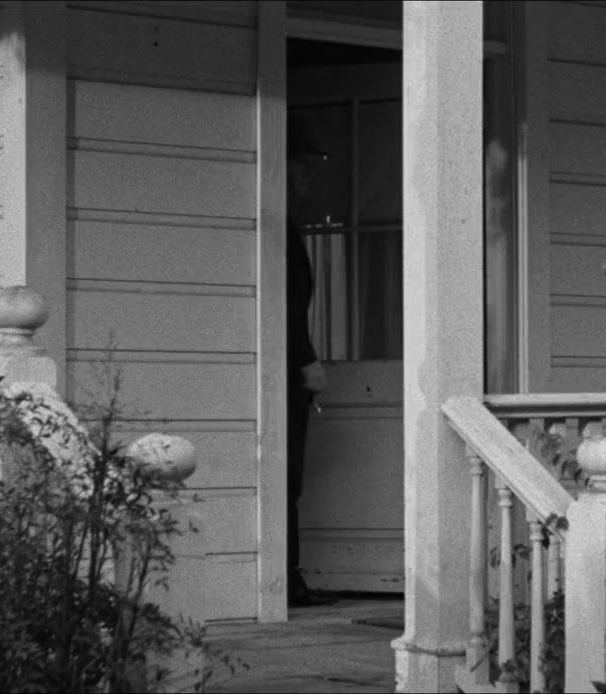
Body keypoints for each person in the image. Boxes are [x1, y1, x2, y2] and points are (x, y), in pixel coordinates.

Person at [286, 115, 334, 608]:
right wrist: (305, 359)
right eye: (302, 164)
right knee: (286, 469)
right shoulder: (277, 233)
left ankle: (290, 573)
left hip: (289, 366)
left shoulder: (287, 228)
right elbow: (283, 306)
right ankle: (287, 577)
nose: (309, 175)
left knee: (292, 472)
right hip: (284, 369)